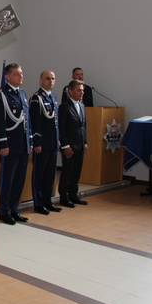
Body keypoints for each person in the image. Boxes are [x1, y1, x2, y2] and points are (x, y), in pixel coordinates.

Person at [0, 63, 32, 225]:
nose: (20, 76)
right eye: (16, 74)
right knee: (7, 180)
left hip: (22, 144)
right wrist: (3, 144)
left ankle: (14, 209)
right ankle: (5, 211)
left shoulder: (22, 94)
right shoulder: (2, 95)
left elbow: (27, 121)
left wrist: (29, 141)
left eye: (21, 73)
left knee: (19, 179)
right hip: (10, 144)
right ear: (7, 76)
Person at [29, 70, 62, 215]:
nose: (51, 81)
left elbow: (56, 122)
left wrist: (58, 139)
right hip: (42, 144)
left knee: (50, 175)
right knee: (39, 175)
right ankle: (39, 203)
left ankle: (48, 201)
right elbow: (35, 122)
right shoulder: (37, 98)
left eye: (53, 78)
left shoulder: (53, 97)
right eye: (48, 78)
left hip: (53, 143)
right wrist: (37, 142)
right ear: (41, 80)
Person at [58, 79, 89, 208]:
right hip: (69, 146)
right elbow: (61, 127)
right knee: (67, 171)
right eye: (78, 90)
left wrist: (85, 142)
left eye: (82, 90)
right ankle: (64, 197)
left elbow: (84, 126)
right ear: (70, 91)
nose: (81, 93)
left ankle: (73, 195)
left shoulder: (82, 106)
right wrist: (65, 145)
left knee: (76, 171)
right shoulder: (64, 107)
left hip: (80, 145)